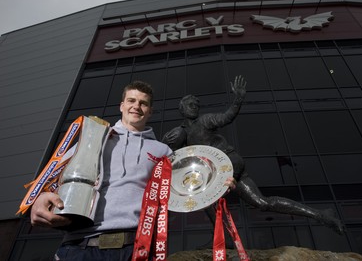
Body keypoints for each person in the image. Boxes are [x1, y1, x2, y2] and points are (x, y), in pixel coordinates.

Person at [30, 80, 236, 260]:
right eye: (131, 101)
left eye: (143, 103)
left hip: (136, 247)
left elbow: (181, 192)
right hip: (80, 246)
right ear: (121, 105)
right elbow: (60, 177)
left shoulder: (163, 151)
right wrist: (41, 197)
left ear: (150, 111)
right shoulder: (94, 135)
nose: (136, 106)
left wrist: (216, 186)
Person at [162, 75, 344, 235]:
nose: (194, 107)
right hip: (216, 172)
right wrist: (165, 142)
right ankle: (322, 215)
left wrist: (238, 100)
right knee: (261, 203)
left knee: (208, 198)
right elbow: (174, 157)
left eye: (196, 104)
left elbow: (226, 117)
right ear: (181, 108)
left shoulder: (205, 120)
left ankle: (224, 239)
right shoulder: (180, 133)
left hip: (230, 162)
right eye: (190, 104)